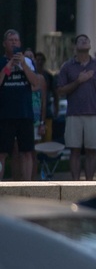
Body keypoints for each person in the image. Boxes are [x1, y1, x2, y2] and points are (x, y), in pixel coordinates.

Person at [56, 34, 96, 180]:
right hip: (74, 114)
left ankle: (89, 183)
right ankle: (75, 183)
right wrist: (78, 81)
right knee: (74, 150)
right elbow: (60, 91)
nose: (84, 41)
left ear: (90, 45)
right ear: (75, 47)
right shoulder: (67, 67)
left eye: (87, 39)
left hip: (93, 113)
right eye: (80, 40)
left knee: (91, 151)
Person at [0, 29, 43, 181]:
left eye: (16, 40)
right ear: (4, 44)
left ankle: (27, 185)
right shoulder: (2, 62)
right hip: (5, 114)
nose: (14, 43)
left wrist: (23, 65)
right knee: (2, 153)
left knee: (26, 151)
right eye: (10, 40)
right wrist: (9, 65)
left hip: (24, 113)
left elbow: (36, 83)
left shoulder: (28, 62)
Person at [33, 52, 58, 142]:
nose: (39, 62)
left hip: (47, 111)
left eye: (41, 60)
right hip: (34, 113)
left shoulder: (48, 76)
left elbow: (55, 93)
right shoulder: (29, 75)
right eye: (37, 60)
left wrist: (56, 108)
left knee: (47, 138)